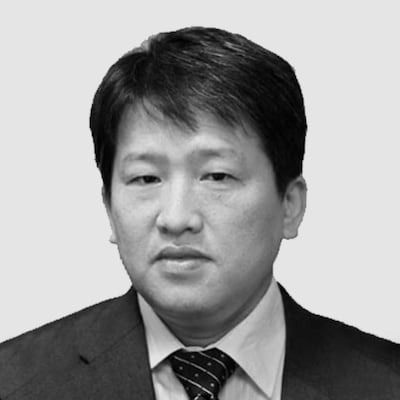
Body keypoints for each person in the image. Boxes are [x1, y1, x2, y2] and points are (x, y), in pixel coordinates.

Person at [0, 26, 399, 400]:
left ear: (290, 205)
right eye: (145, 178)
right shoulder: (15, 382)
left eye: (217, 176)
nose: (176, 219)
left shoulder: (385, 382)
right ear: (108, 207)